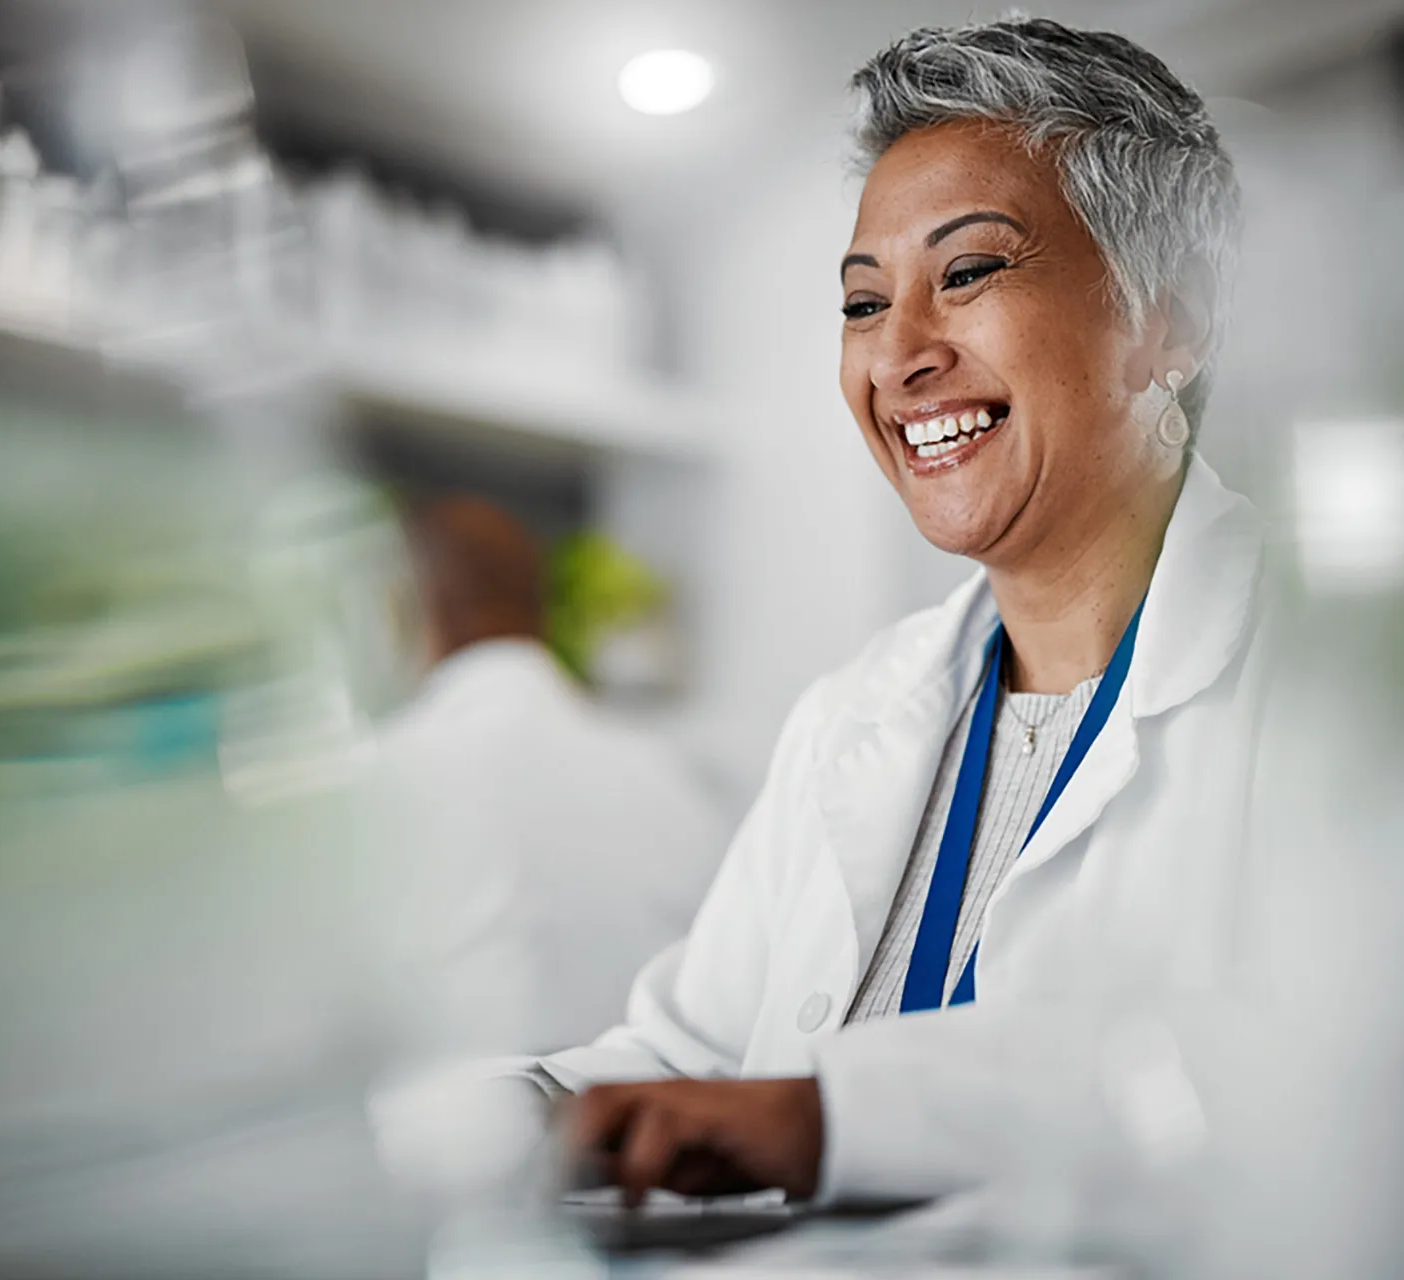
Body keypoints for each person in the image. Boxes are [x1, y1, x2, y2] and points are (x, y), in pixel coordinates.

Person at [531, 19, 1270, 1207]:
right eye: (864, 303)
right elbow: (687, 1060)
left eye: (969, 273)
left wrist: (835, 1117)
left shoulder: (1321, 673)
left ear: (1166, 328)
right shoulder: (856, 711)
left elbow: (1301, 1081)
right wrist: (506, 1109)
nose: (899, 356)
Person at [380, 496, 726, 1054]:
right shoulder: (672, 778)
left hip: (453, 1129)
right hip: (648, 1123)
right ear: (542, 605)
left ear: (407, 607)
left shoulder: (384, 775)